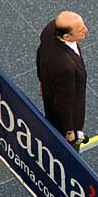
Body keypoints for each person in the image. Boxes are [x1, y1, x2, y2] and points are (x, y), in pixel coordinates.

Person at [36, 11, 88, 150]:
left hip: (51, 88)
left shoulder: (50, 29)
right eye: (80, 30)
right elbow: (63, 103)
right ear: (66, 36)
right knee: (68, 149)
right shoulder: (66, 67)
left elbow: (40, 54)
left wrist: (42, 79)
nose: (86, 30)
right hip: (65, 119)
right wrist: (69, 130)